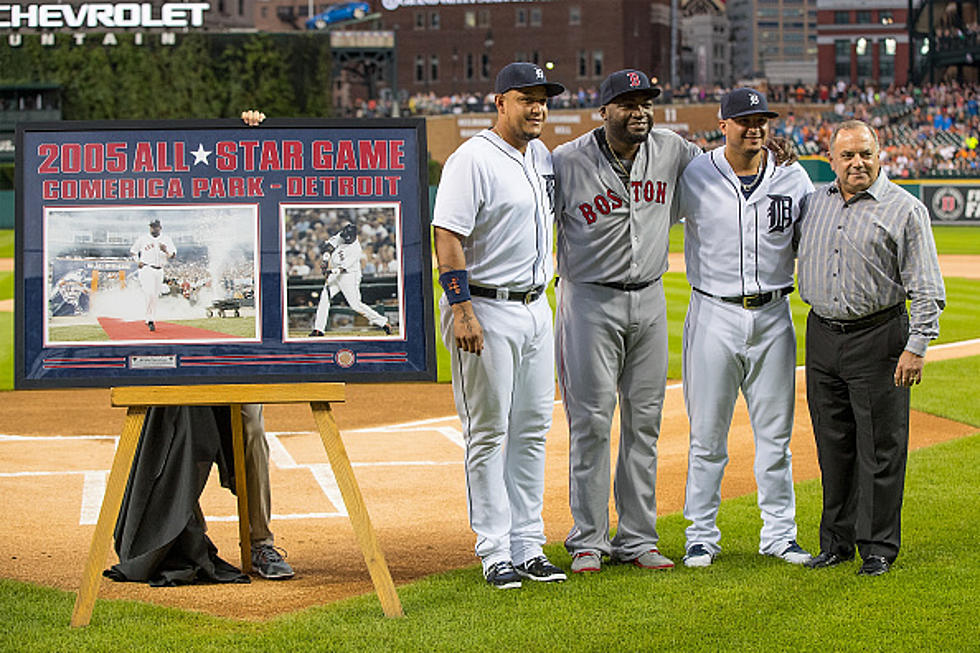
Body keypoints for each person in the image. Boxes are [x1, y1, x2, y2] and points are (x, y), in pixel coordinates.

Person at [552, 69, 702, 574]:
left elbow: (721, 174)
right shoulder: (566, 160)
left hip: (651, 300)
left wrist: (773, 153)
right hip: (589, 301)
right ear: (604, 110)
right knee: (591, 423)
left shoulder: (673, 150)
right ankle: (588, 539)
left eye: (645, 102)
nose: (638, 111)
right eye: (626, 103)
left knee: (645, 423)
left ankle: (637, 537)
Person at [431, 62, 567, 589]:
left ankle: (529, 545)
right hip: (485, 309)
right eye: (525, 98)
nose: (537, 107)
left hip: (537, 308)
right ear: (500, 103)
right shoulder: (472, 159)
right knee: (488, 433)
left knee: (533, 430)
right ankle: (494, 550)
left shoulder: (543, 158)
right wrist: (461, 309)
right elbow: (448, 236)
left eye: (542, 99)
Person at [797, 120, 945, 576]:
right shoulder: (813, 205)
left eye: (865, 153)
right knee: (833, 444)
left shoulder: (904, 209)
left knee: (881, 447)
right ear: (831, 160)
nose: (857, 162)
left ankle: (878, 547)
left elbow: (926, 286)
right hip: (822, 334)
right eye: (847, 155)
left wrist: (916, 345)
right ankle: (836, 542)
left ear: (880, 155)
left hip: (879, 336)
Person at [676, 87, 814, 568]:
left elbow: (811, 243)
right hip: (714, 313)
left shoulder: (794, 178)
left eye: (762, 120)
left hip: (775, 314)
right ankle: (700, 535)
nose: (754, 127)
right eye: (744, 120)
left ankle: (780, 535)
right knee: (707, 436)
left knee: (776, 438)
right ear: (723, 124)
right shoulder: (695, 172)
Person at [241, 404, 295, 579]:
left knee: (254, 431)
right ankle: (187, 541)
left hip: (240, 381)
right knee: (185, 437)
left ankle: (259, 543)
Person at [309, 222, 392, 337]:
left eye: (348, 238)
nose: (345, 239)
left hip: (348, 275)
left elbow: (343, 268)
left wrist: (331, 271)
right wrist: (325, 259)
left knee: (355, 305)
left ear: (354, 236)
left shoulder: (356, 249)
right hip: (335, 272)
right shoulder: (342, 234)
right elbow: (329, 246)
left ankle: (383, 322)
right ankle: (319, 329)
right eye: (345, 237)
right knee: (324, 298)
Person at [130, 218, 176, 331]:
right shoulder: (143, 238)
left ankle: (150, 318)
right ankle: (149, 319)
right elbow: (133, 251)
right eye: (151, 226)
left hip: (159, 269)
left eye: (155, 226)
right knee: (149, 293)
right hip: (147, 268)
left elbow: (173, 255)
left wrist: (165, 251)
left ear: (160, 228)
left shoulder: (166, 239)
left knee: (155, 296)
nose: (153, 228)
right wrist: (137, 261)